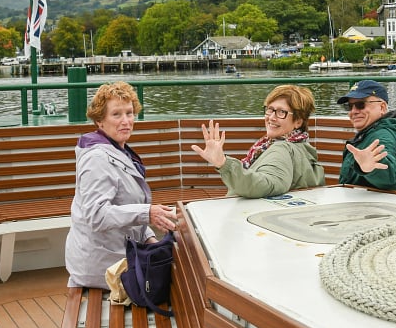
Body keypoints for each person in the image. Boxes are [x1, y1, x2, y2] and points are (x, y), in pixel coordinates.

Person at [65, 81, 176, 289]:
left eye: (129, 113)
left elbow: (129, 205)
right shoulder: (97, 158)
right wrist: (147, 214)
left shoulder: (119, 151)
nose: (126, 121)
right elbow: (96, 215)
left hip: (116, 254)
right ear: (100, 121)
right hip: (102, 267)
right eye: (116, 114)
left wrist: (151, 240)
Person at [192, 84, 325, 198]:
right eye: (270, 110)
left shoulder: (282, 149)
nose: (271, 117)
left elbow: (267, 184)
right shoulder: (299, 146)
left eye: (281, 112)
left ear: (298, 122)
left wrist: (223, 163)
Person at [337, 79, 396, 193]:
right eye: (349, 106)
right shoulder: (371, 132)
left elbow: (388, 175)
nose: (354, 111)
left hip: (392, 207)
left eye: (360, 105)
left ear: (382, 107)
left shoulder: (382, 136)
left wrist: (371, 168)